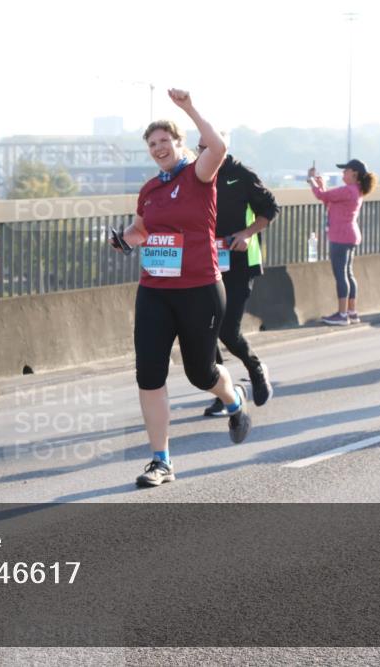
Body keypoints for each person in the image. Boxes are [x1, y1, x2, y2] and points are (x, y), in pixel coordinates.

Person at [110, 88, 251, 488]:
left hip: (200, 289)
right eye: (152, 144)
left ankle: (233, 399)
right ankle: (161, 461)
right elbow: (141, 229)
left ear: (179, 142)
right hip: (155, 290)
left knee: (199, 373)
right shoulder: (150, 190)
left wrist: (188, 107)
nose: (158, 148)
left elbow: (218, 146)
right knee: (149, 376)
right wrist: (123, 240)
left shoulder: (198, 176)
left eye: (164, 141)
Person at [202, 149, 279, 416]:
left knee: (227, 331)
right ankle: (222, 394)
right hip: (206, 265)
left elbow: (270, 209)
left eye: (208, 146)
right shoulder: (197, 175)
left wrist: (246, 234)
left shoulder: (241, 174)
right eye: (200, 148)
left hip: (240, 264)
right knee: (205, 330)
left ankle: (256, 370)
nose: (203, 152)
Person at [307, 158, 377, 325]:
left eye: (346, 170)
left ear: (354, 174)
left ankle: (342, 314)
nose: (343, 173)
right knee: (348, 274)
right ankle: (351, 312)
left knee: (341, 275)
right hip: (350, 235)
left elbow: (321, 196)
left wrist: (311, 181)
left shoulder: (348, 190)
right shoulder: (356, 190)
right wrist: (321, 184)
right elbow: (328, 199)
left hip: (340, 236)